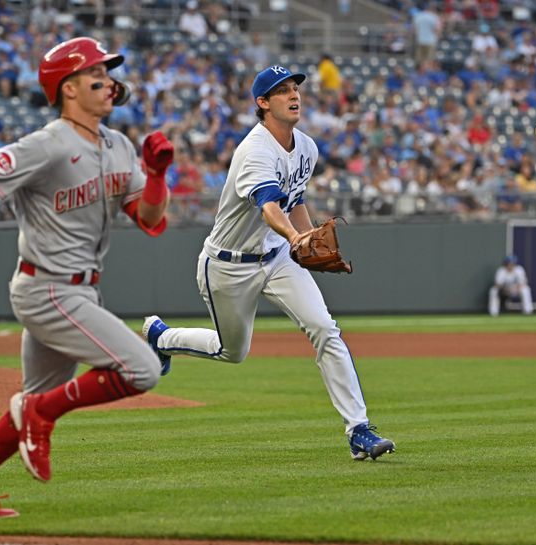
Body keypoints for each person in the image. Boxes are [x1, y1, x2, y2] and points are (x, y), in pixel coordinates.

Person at [0, 37, 174, 518]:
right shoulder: (48, 144)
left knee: (33, 398)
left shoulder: (117, 145)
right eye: (96, 75)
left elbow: (149, 219)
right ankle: (41, 416)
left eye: (108, 75)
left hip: (79, 288)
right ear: (68, 89)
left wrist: (155, 175)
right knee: (143, 368)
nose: (109, 83)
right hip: (48, 287)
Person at [141, 65, 394, 462]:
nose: (293, 95)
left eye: (295, 88)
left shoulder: (306, 147)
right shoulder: (254, 151)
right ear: (262, 103)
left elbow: (294, 203)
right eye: (281, 91)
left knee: (325, 329)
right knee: (232, 351)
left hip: (277, 257)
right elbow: (270, 208)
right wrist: (296, 238)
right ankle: (162, 338)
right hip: (228, 264)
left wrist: (306, 237)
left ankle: (358, 430)